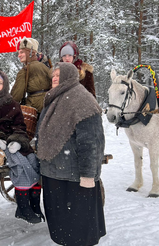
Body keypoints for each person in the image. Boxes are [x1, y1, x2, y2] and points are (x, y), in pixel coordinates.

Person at [36, 62, 106, 245]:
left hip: (75, 178)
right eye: (54, 75)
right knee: (63, 230)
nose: (55, 78)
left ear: (70, 75)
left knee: (80, 232)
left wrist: (88, 175)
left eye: (59, 75)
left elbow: (92, 141)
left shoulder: (83, 99)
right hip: (55, 174)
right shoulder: (54, 98)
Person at [0, 70, 44, 224]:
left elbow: (20, 125)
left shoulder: (12, 104)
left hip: (14, 141)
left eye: (0, 83)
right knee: (19, 163)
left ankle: (35, 204)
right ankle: (23, 207)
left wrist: (17, 140)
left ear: (5, 85)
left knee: (33, 160)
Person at [10, 37, 52, 115]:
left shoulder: (24, 71)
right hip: (48, 107)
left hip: (33, 110)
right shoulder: (46, 67)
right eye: (18, 53)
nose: (19, 55)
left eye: (21, 52)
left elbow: (16, 96)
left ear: (30, 53)